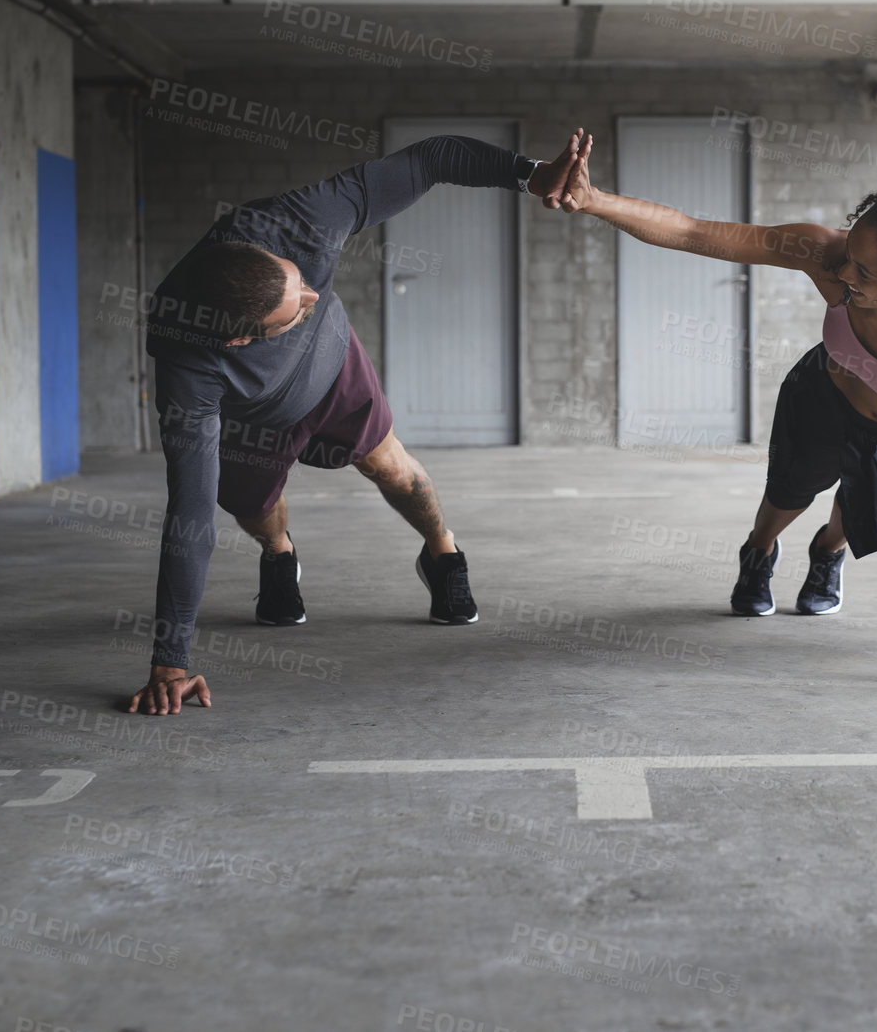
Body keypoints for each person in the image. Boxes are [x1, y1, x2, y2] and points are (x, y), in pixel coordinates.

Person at [129, 131, 584, 714]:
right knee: (249, 509)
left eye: (302, 282)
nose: (315, 296)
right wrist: (171, 661)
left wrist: (530, 173)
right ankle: (279, 556)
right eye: (296, 311)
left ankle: (442, 552)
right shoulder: (187, 364)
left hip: (333, 367)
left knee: (396, 471)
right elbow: (188, 514)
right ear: (239, 339)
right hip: (252, 417)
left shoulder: (300, 221)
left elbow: (431, 159)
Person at [560, 135, 877, 702]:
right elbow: (697, 232)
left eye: (865, 271)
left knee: (870, 500)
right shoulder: (830, 257)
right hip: (827, 397)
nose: (843, 271)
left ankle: (829, 551)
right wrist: (595, 200)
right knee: (789, 492)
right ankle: (760, 550)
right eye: (849, 251)